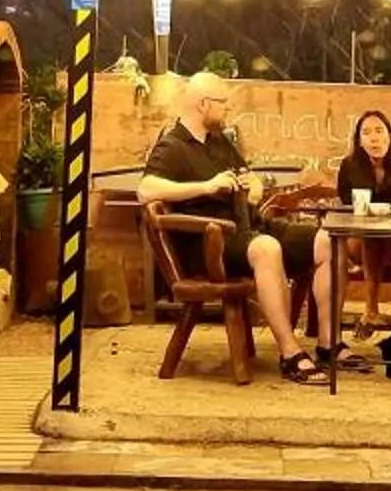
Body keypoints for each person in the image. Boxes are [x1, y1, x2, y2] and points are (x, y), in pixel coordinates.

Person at [136, 69, 330, 384]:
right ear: (202, 104)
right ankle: (290, 352)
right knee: (267, 248)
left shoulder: (219, 141)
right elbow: (146, 190)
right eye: (223, 103)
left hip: (249, 227)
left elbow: (247, 175)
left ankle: (328, 343)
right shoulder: (172, 146)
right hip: (212, 244)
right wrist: (206, 186)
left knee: (325, 240)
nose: (228, 109)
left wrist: (252, 184)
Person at [312, 109, 391, 354]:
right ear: (359, 141)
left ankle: (371, 308)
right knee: (371, 232)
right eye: (367, 133)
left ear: (390, 136)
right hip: (357, 243)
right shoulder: (349, 166)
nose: (374, 138)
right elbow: (344, 205)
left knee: (380, 234)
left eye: (379, 131)